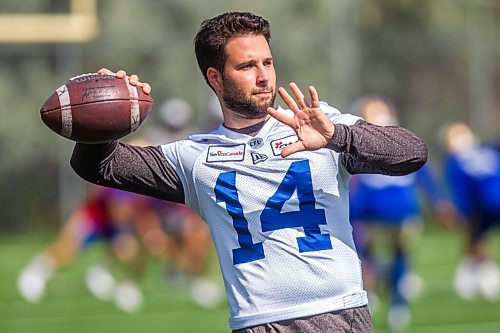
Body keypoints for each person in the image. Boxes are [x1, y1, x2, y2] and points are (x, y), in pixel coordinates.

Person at [69, 12, 428, 332]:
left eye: (268, 63)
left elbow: (413, 154)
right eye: (246, 66)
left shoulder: (322, 124)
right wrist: (103, 117)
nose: (263, 77)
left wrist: (337, 137)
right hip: (256, 322)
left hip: (339, 314)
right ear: (216, 78)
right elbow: (98, 166)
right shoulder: (193, 158)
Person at [348, 95, 454, 330]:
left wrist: (439, 203)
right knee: (367, 258)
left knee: (399, 258)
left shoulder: (401, 144)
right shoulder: (359, 146)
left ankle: (398, 302)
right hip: (371, 217)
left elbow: (424, 174)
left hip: (404, 214)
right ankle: (371, 294)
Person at [17, 184, 157, 312]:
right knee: (69, 246)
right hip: (95, 216)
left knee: (131, 249)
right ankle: (35, 273)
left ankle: (117, 281)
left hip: (114, 224)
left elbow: (140, 213)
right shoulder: (122, 179)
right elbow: (116, 207)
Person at [440, 122, 500, 301]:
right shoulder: (487, 151)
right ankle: (479, 275)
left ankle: (479, 275)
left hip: (482, 205)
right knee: (476, 240)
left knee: (475, 239)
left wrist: (463, 211)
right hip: (482, 206)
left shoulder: (481, 153)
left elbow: (460, 190)